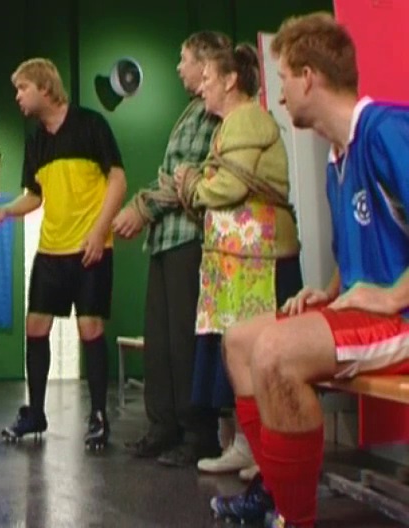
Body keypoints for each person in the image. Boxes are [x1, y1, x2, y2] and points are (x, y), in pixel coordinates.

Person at [210, 12, 409, 528]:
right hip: (368, 315)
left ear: (308, 76)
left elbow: (387, 284)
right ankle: (275, 490)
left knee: (276, 351)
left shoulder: (387, 129)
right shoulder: (337, 159)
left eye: (282, 80)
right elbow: (359, 257)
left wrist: (392, 296)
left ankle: (294, 519)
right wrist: (327, 292)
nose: (278, 96)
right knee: (239, 342)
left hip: (401, 317)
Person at [0, 58, 127, 449]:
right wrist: (5, 211)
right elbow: (34, 195)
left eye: (22, 88)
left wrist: (100, 231)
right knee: (35, 328)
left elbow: (118, 179)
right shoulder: (36, 141)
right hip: (51, 250)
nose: (17, 97)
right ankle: (36, 414)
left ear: (45, 88)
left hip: (91, 247)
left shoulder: (91, 124)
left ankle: (99, 416)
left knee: (90, 329)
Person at [175, 42, 302, 476]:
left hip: (259, 260)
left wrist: (193, 185)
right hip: (236, 262)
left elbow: (227, 187)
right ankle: (245, 445)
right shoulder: (230, 124)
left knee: (256, 354)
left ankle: (265, 449)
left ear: (231, 81)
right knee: (234, 353)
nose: (202, 87)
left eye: (208, 78)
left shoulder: (246, 118)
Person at [112, 31, 229, 465]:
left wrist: (142, 207)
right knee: (160, 341)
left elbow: (189, 176)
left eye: (184, 59)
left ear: (205, 63)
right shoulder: (192, 110)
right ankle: (163, 427)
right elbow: (172, 176)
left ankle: (197, 434)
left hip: (189, 238)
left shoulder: (213, 114)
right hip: (166, 239)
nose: (179, 68)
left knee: (184, 340)